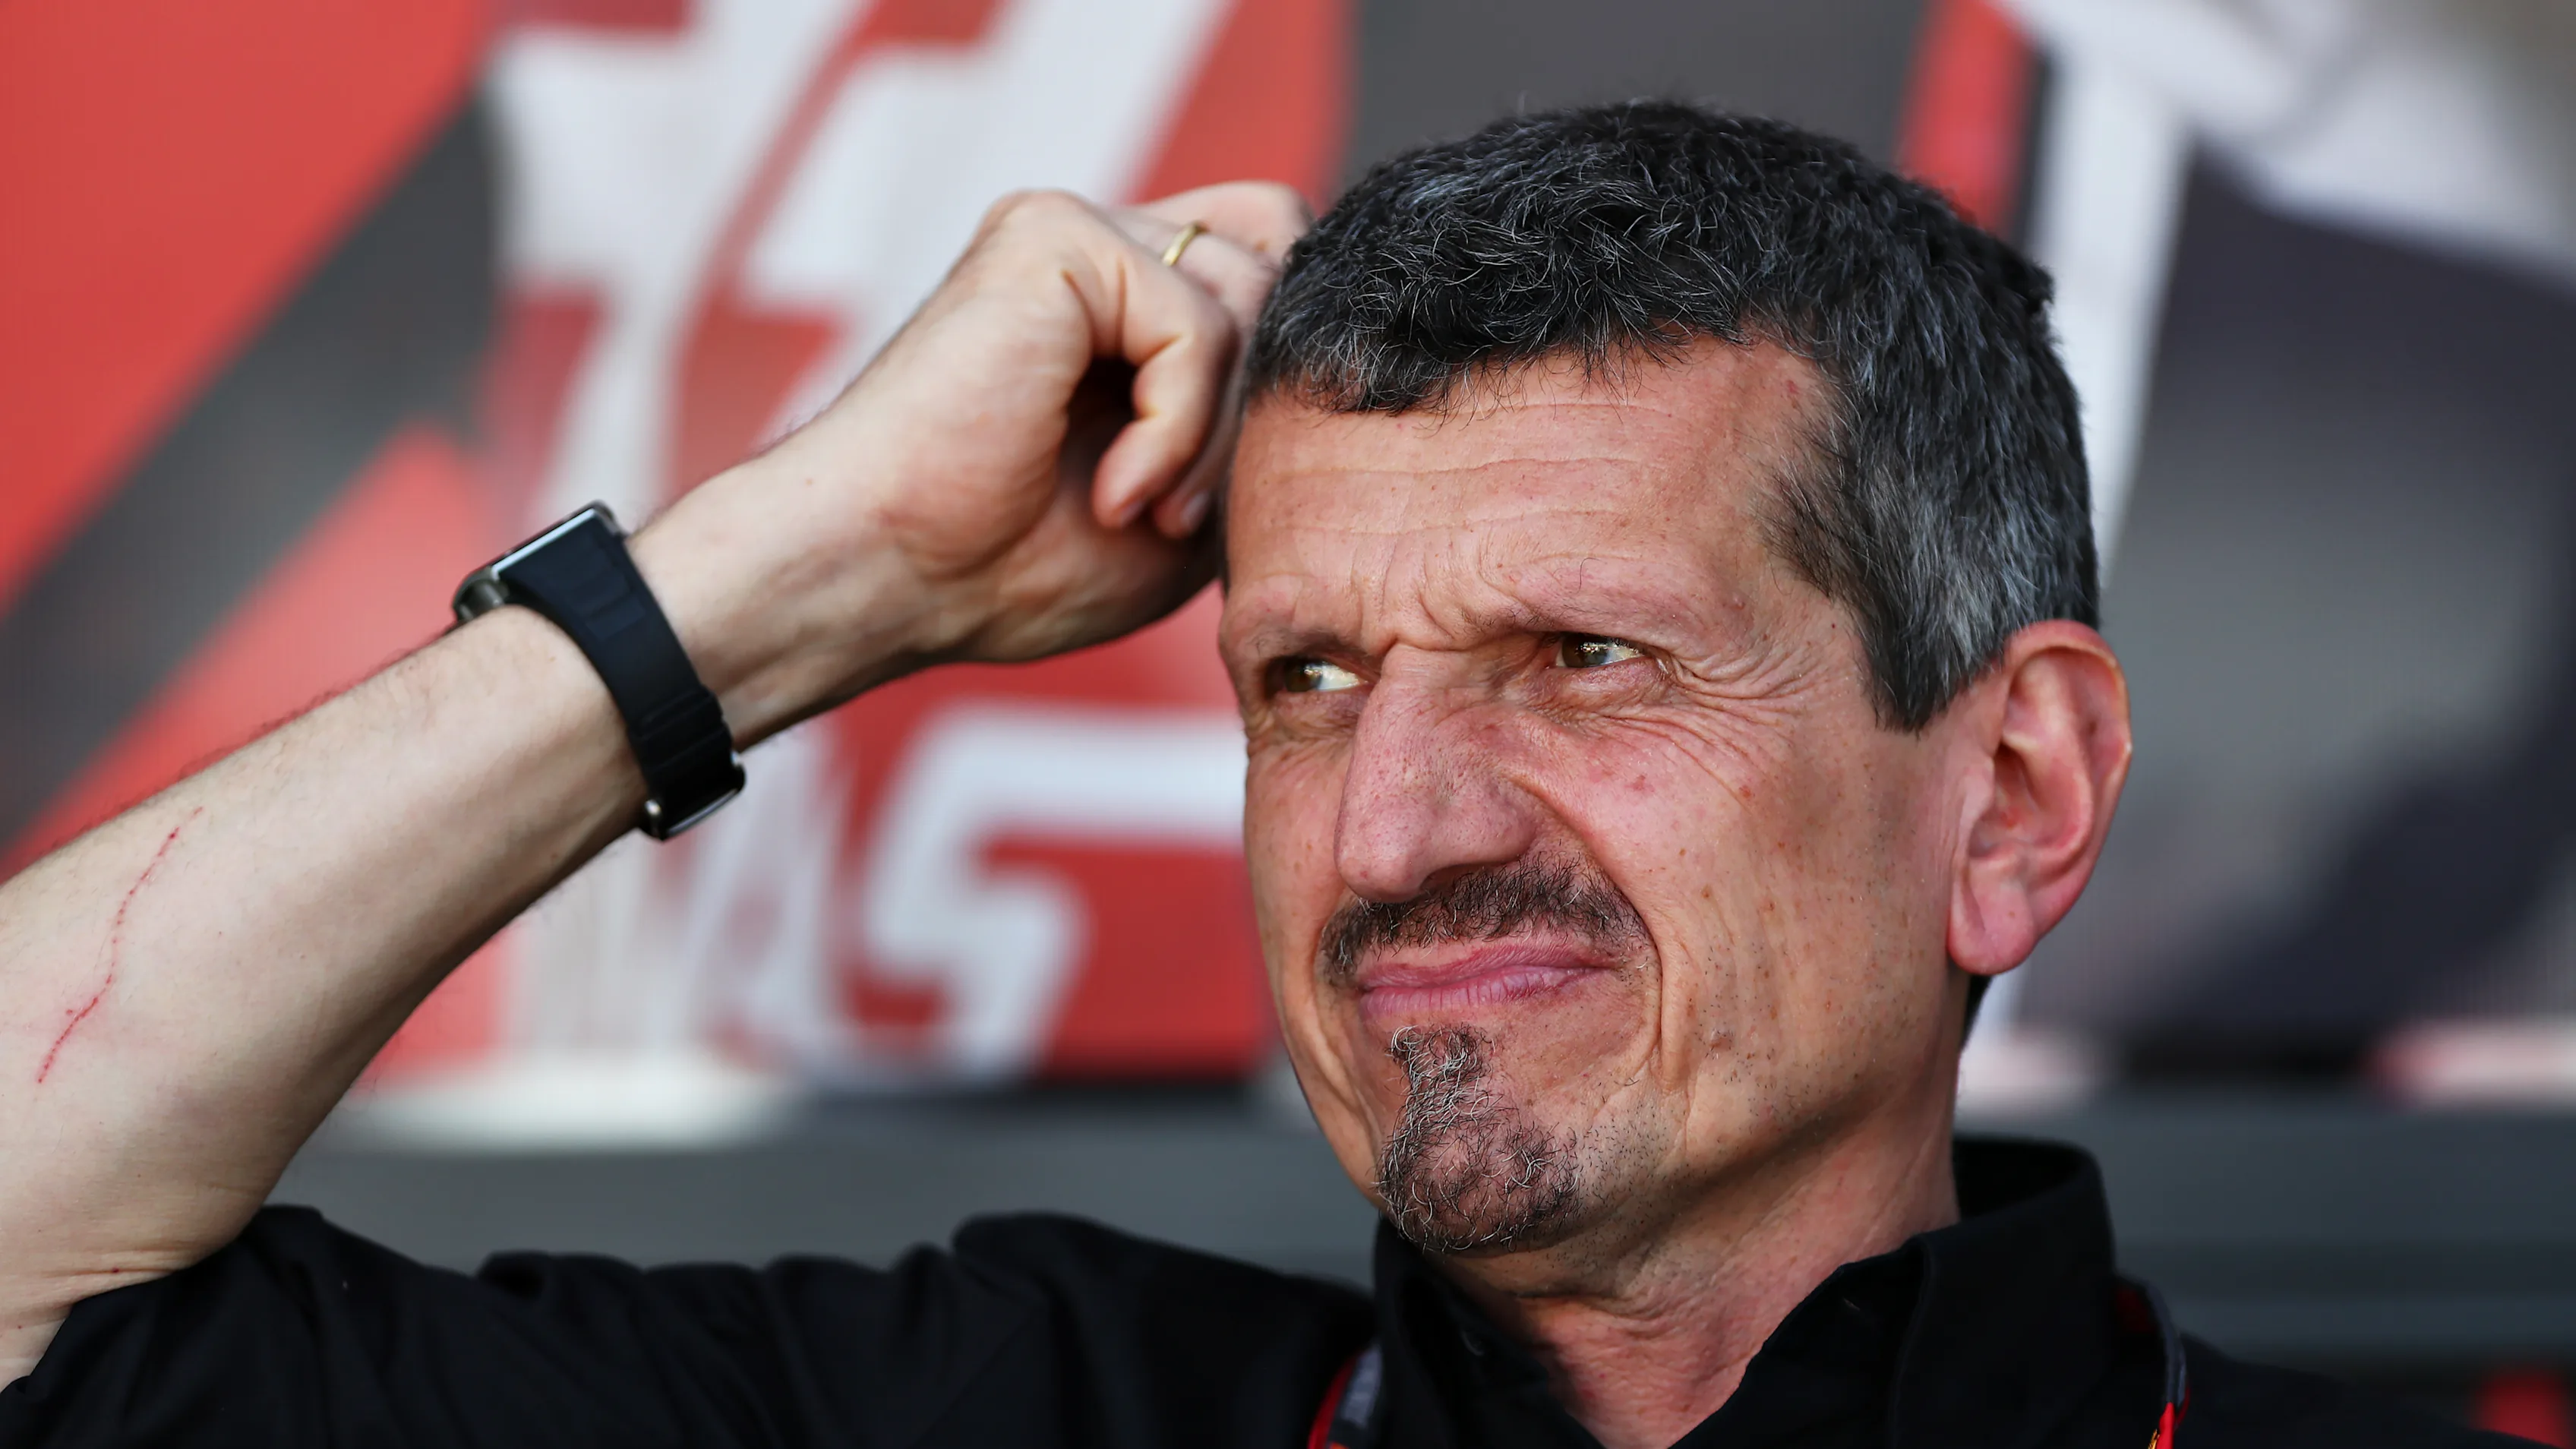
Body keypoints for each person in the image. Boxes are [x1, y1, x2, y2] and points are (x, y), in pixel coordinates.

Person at [0, 103, 2518, 1449]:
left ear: (2015, 795)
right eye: (1305, 678)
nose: (1399, 827)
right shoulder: (999, 1408)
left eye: (1585, 653)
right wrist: (802, 581)